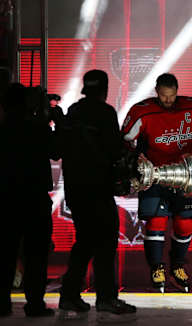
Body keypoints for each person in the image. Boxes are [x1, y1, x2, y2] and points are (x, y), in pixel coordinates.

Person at [121, 73, 192, 293]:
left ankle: (178, 266)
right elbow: (125, 140)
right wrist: (136, 159)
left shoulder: (189, 108)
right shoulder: (142, 111)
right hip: (155, 175)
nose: (168, 100)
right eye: (164, 96)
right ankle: (157, 268)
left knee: (185, 223)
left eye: (171, 96)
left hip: (186, 175)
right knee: (156, 222)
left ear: (177, 91)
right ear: (156, 92)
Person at [58, 69, 136, 315]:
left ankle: (70, 294)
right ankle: (106, 298)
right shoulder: (105, 113)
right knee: (105, 243)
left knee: (84, 242)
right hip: (98, 189)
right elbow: (114, 150)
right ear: (104, 89)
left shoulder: (73, 113)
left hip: (75, 190)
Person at [0, 83, 58, 317]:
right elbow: (56, 151)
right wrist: (50, 120)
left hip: (7, 198)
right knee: (36, 253)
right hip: (34, 197)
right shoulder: (38, 129)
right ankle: (35, 302)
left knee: (6, 252)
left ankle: (1, 302)